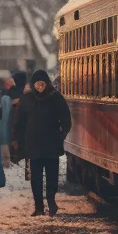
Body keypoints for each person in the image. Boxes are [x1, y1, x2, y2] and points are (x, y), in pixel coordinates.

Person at [12, 69, 71, 217]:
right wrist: (18, 140)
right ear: (33, 84)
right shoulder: (26, 99)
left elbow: (66, 119)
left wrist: (60, 135)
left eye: (42, 83)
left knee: (52, 176)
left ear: (47, 83)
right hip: (33, 145)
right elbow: (19, 122)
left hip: (52, 144)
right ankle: (39, 206)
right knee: (36, 178)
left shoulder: (56, 98)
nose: (40, 86)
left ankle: (51, 202)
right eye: (37, 84)